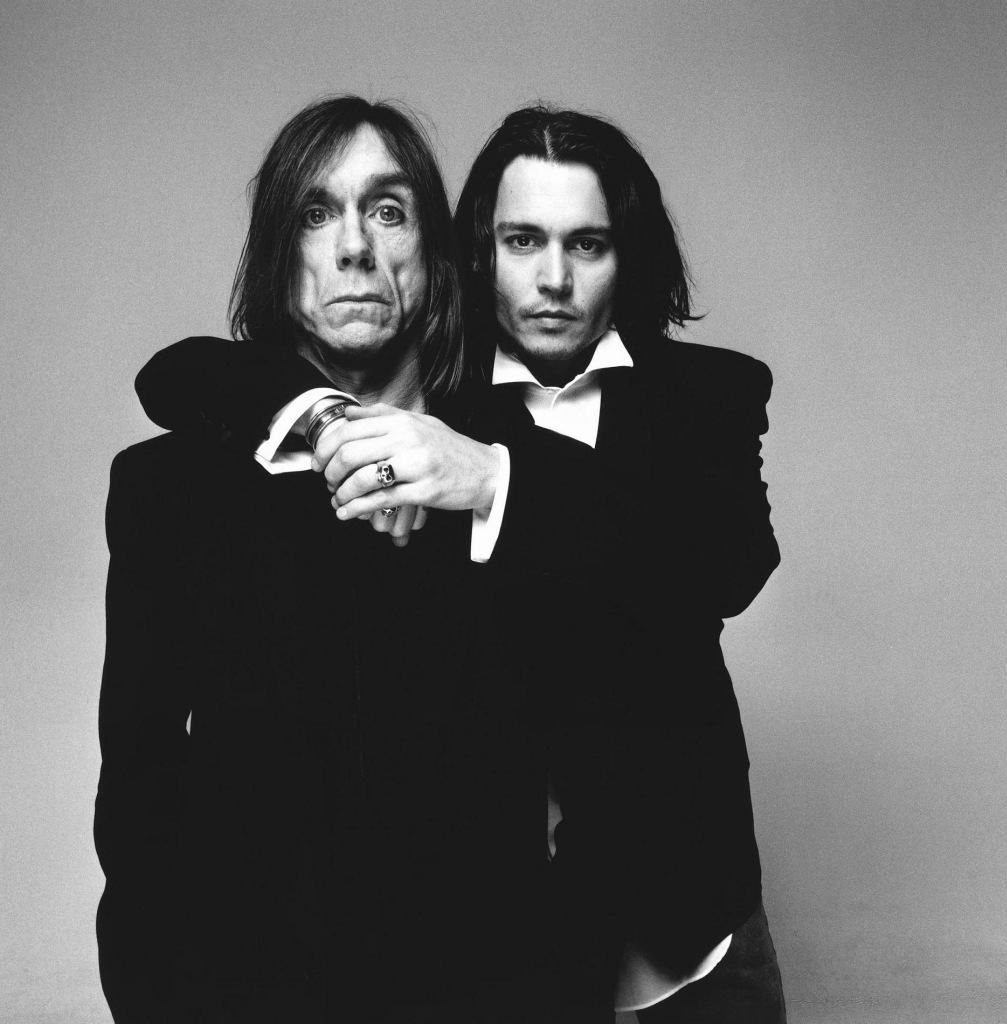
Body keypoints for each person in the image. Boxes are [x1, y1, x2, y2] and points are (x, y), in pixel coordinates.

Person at [132, 103, 785, 1022]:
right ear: (471, 256)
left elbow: (723, 566)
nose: (553, 279)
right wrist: (325, 413)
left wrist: (493, 480)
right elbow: (199, 369)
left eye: (588, 244)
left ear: (627, 255)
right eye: (522, 241)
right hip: (507, 933)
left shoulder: (707, 396)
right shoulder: (443, 387)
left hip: (683, 902)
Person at [95, 96, 579, 1024]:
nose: (355, 246)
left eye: (388, 211)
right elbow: (139, 785)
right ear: (278, 259)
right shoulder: (168, 489)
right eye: (317, 214)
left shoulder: (518, 472)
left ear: (437, 257)